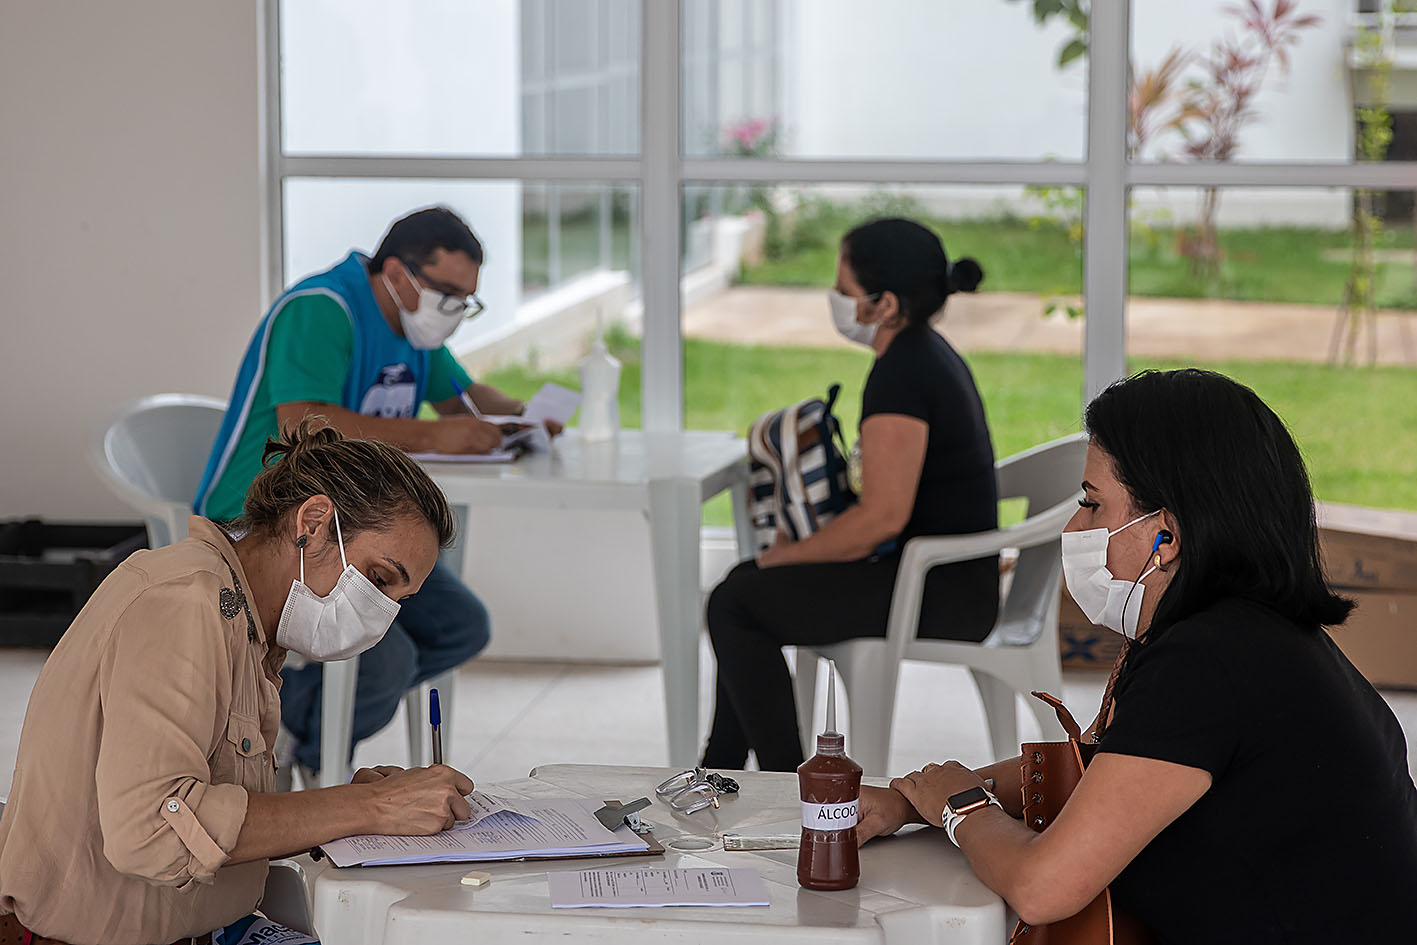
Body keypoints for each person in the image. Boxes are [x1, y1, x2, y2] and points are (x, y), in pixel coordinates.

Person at [855, 369, 1417, 944]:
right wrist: (913, 801)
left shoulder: (1211, 663)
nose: (1074, 526)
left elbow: (1044, 886)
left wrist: (961, 807)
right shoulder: (1251, 636)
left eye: (1092, 504)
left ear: (1166, 537)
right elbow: (1102, 771)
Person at [0, 422, 479, 944]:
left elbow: (213, 816)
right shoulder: (185, 602)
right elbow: (152, 831)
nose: (382, 612)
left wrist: (352, 811)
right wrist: (368, 808)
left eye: (398, 600)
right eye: (380, 578)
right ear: (313, 523)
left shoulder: (247, 623)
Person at [195, 206, 551, 780]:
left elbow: (462, 398)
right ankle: (307, 746)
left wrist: (525, 415)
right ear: (399, 273)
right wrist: (435, 436)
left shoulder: (413, 332)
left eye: (466, 299)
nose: (454, 311)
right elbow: (302, 422)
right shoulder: (321, 310)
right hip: (269, 521)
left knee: (460, 625)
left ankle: (293, 723)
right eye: (448, 294)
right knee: (387, 659)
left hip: (359, 526)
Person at [702, 217, 1000, 773]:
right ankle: (719, 768)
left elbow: (881, 518)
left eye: (843, 289)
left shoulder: (903, 374)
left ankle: (785, 786)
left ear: (884, 304)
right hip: (937, 577)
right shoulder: (923, 354)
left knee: (735, 602)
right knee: (742, 587)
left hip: (937, 591)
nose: (835, 299)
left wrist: (783, 557)